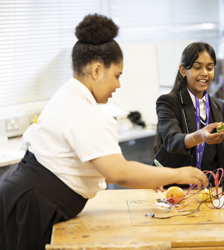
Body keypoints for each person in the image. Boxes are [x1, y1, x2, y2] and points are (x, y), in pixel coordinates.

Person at [0, 14, 209, 250]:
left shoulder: (68, 94)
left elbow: (101, 166)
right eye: (117, 76)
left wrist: (152, 177)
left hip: (22, 196)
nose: (118, 85)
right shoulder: (85, 113)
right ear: (97, 70)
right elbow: (119, 173)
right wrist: (178, 174)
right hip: (31, 206)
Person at [153, 42, 224, 188]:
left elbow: (211, 157)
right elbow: (172, 141)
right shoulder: (168, 102)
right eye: (197, 67)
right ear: (183, 70)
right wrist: (200, 136)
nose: (205, 72)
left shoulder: (218, 106)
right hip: (171, 187)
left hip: (205, 190)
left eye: (209, 68)